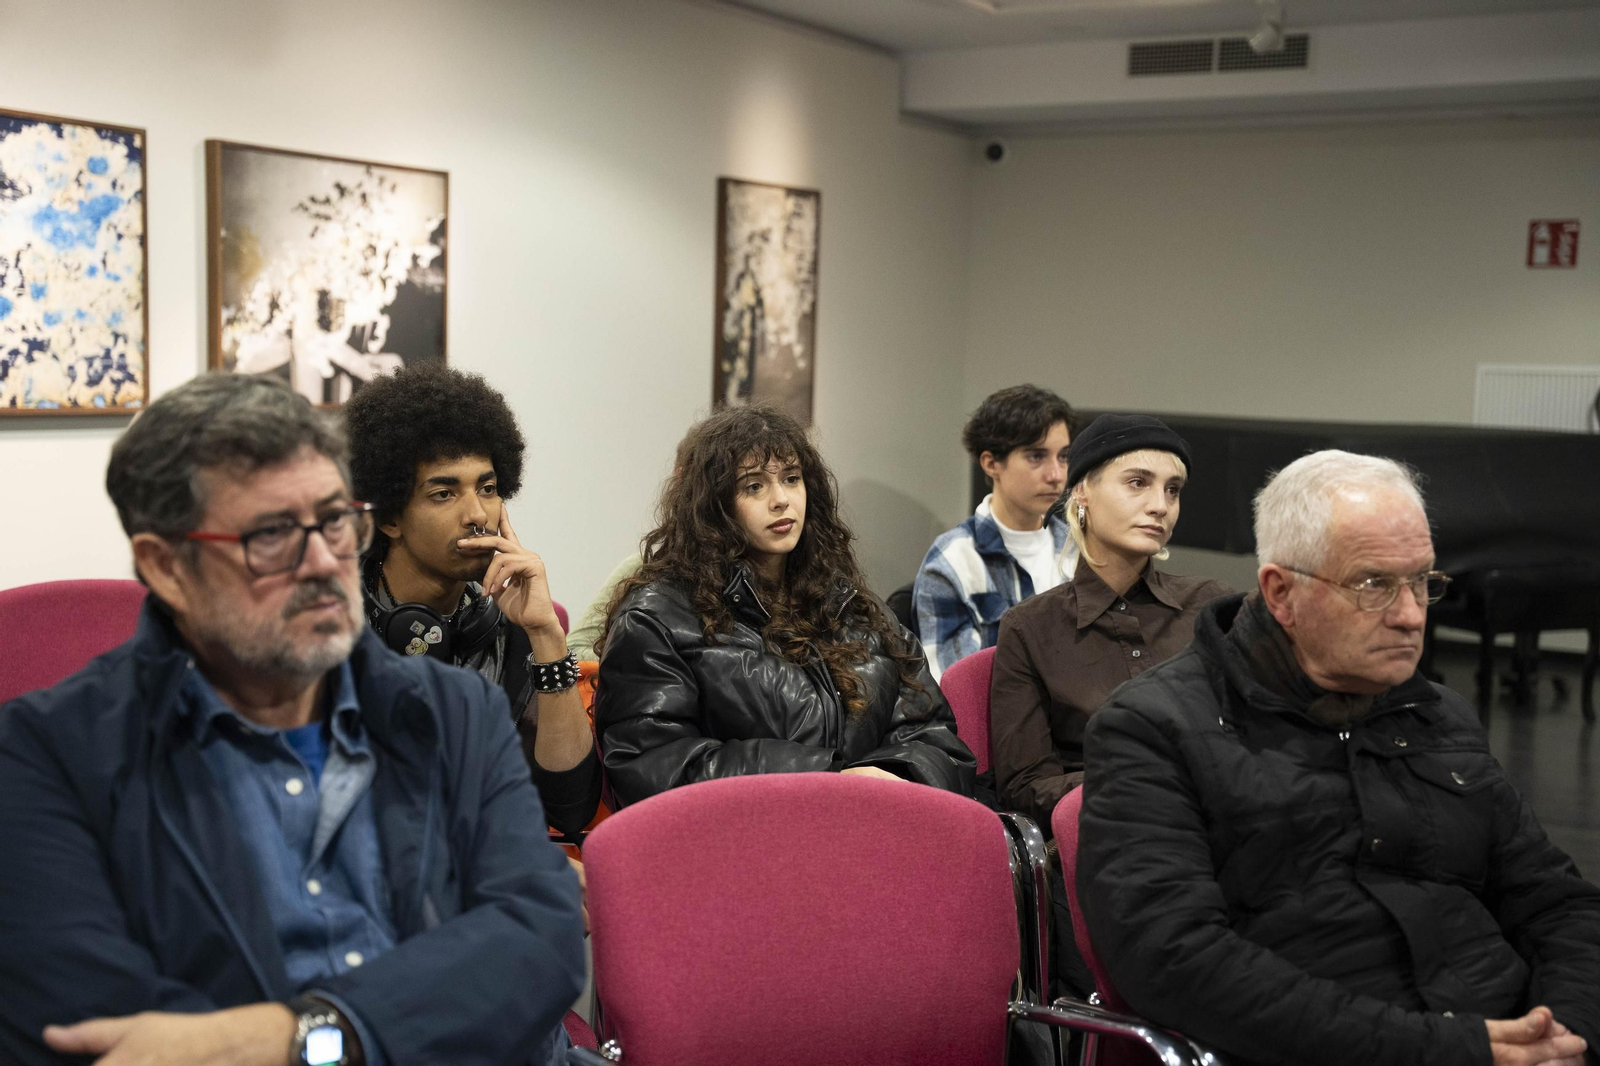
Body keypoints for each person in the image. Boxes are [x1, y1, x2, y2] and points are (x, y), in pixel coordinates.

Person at [0, 374, 585, 1066]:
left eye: (336, 521)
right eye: (272, 535)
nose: (322, 562)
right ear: (167, 567)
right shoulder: (45, 755)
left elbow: (539, 944)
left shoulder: (457, 712)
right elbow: (98, 1027)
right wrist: (429, 1006)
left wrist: (304, 1036)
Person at [1078, 450, 1600, 1066]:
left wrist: (1569, 1034)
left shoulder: (1437, 714)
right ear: (1281, 593)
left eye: (1423, 583)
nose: (1410, 616)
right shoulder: (1155, 727)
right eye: (1374, 585)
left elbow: (1558, 902)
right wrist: (1450, 1050)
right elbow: (1174, 960)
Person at [594, 403, 976, 806]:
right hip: (742, 850)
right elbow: (654, 766)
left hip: (874, 833)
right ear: (714, 504)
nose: (781, 500)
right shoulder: (657, 617)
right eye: (754, 486)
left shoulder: (853, 606)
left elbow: (937, 740)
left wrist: (894, 779)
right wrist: (830, 780)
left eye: (792, 479)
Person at [343, 365, 600, 840]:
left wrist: (544, 634)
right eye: (444, 494)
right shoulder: (332, 624)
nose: (478, 514)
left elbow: (570, 809)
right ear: (390, 518)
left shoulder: (512, 622)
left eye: (487, 488)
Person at [990, 414, 1230, 832]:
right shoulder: (1031, 629)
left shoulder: (1214, 605)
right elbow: (1025, 787)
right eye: (1138, 482)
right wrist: (1137, 782)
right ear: (1082, 491)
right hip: (1105, 837)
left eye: (1172, 490)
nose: (1160, 505)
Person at [913, 385, 1076, 680]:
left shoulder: (1082, 547)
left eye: (1063, 456)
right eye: (1036, 457)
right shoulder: (951, 563)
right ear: (991, 464)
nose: (1056, 475)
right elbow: (961, 693)